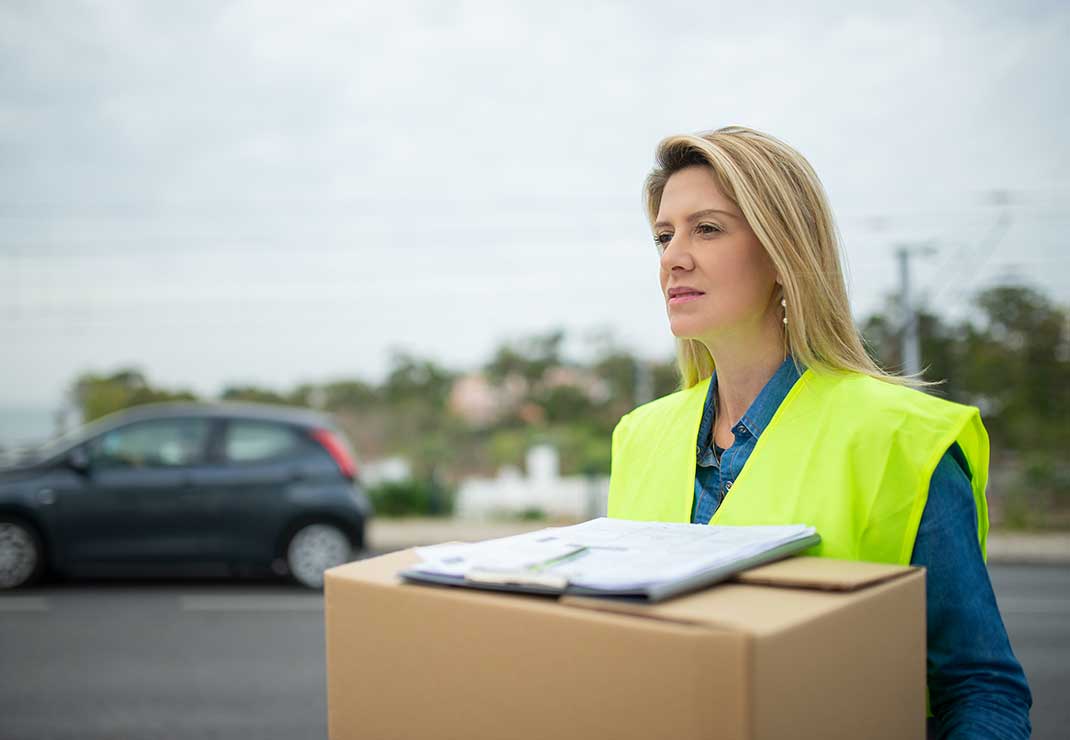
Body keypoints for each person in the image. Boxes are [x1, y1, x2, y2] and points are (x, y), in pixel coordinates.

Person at [607, 126, 1032, 738]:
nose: (673, 256)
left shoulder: (902, 439)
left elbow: (977, 688)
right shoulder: (637, 438)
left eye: (708, 228)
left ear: (784, 252)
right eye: (664, 235)